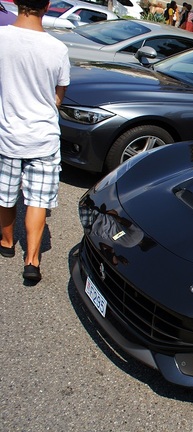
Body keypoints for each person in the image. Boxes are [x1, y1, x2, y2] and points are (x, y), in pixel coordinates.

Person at [0, 0, 71, 282]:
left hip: (8, 133)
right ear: (48, 6)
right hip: (43, 137)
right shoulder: (58, 49)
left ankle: (6, 244)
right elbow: (58, 97)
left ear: (16, 2)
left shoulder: (2, 38)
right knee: (38, 200)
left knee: (5, 193)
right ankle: (32, 261)